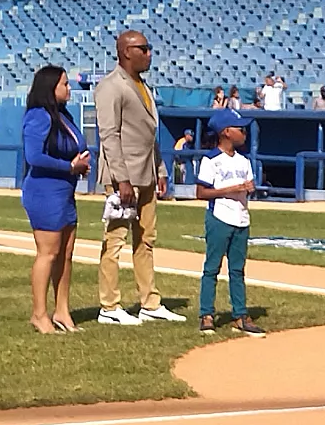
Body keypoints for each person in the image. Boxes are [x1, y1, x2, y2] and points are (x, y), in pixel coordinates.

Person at [94, 30, 186, 326]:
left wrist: (160, 169)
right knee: (115, 240)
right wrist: (121, 179)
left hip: (146, 173)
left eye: (149, 48)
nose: (149, 54)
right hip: (124, 176)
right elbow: (109, 135)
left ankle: (150, 302)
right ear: (125, 52)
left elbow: (149, 135)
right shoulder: (111, 86)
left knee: (146, 240)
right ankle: (109, 307)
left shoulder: (143, 86)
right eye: (143, 48)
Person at [21, 66, 90, 334]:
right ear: (51, 88)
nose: (69, 89)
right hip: (44, 192)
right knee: (48, 253)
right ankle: (39, 314)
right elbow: (33, 157)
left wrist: (80, 164)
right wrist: (69, 167)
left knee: (66, 253)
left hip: (65, 192)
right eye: (64, 84)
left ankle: (62, 311)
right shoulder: (38, 116)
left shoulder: (63, 115)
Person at [196, 108, 265, 337]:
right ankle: (206, 314)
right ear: (226, 132)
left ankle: (240, 315)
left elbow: (249, 185)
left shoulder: (244, 161)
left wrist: (248, 189)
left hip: (241, 218)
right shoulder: (211, 160)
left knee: (237, 269)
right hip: (219, 218)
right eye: (239, 129)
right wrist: (230, 190)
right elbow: (201, 192)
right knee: (212, 267)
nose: (244, 132)